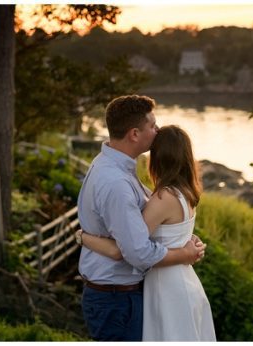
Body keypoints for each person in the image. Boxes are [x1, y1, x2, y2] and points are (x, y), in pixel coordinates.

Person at [76, 95, 206, 341]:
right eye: (153, 126)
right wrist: (184, 253)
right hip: (116, 300)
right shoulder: (117, 182)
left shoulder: (117, 167)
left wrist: (182, 238)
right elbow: (137, 252)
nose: (157, 131)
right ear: (135, 134)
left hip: (123, 295)